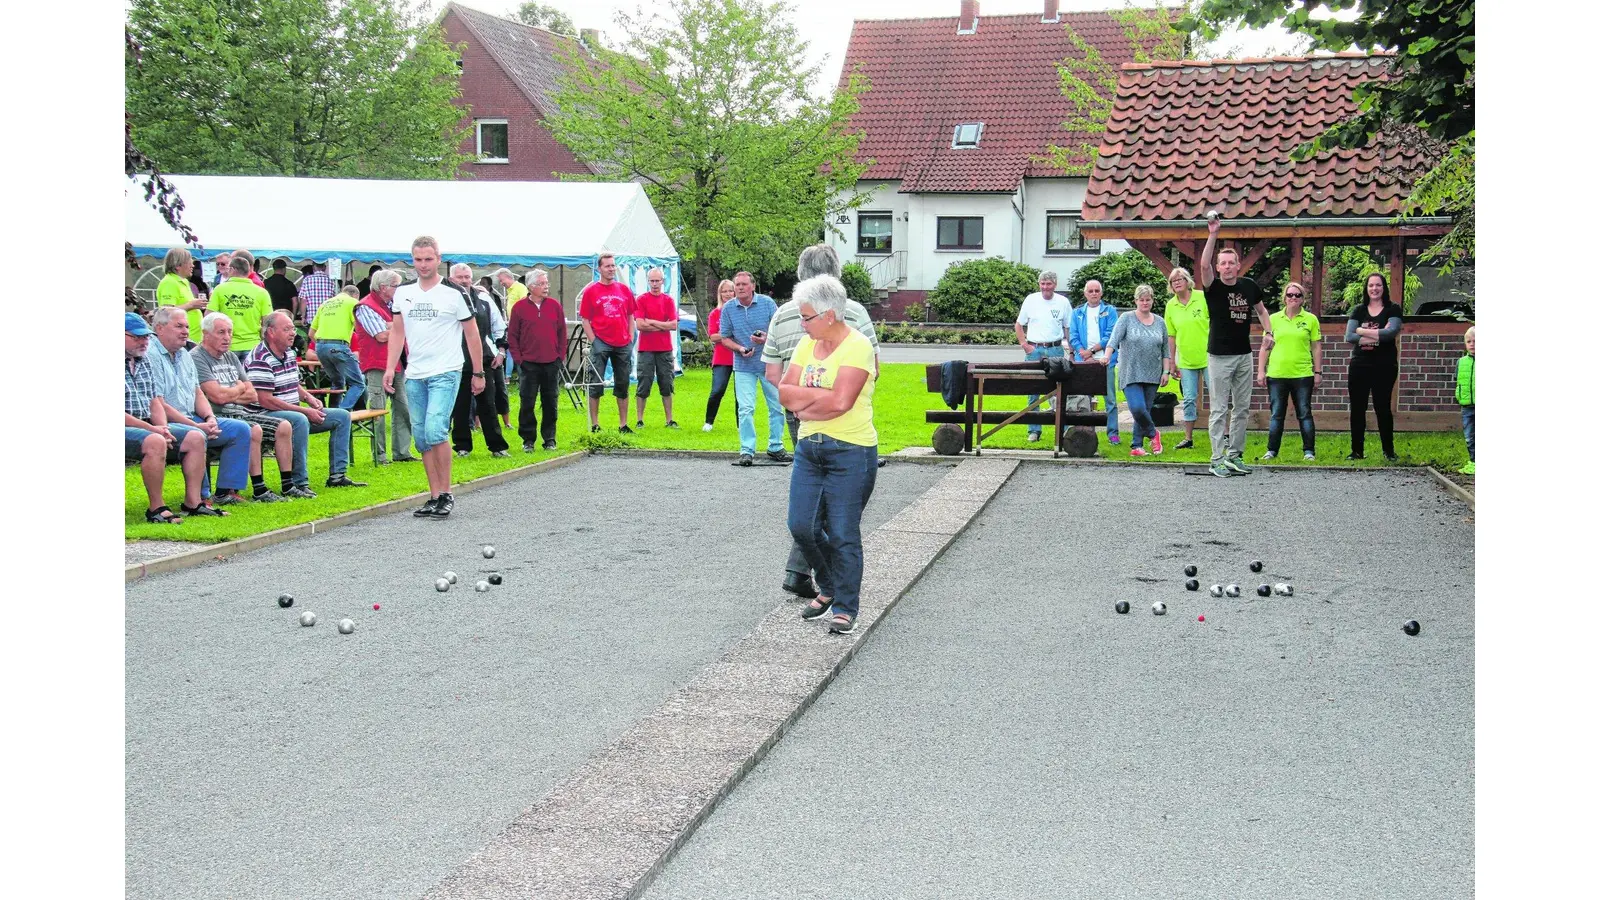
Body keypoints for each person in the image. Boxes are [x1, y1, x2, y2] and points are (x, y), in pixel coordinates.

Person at [765, 243, 879, 600]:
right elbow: (873, 370)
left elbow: (772, 374)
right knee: (831, 511)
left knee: (816, 507)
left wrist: (801, 401)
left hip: (801, 414)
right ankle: (819, 578)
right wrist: (820, 399)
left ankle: (810, 577)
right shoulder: (854, 311)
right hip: (832, 418)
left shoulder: (782, 313)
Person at [383, 235, 488, 518]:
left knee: (435, 430)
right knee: (421, 437)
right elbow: (397, 331)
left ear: (438, 259)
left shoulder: (454, 292)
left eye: (428, 259)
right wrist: (391, 367)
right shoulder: (403, 293)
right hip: (415, 373)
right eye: (418, 259)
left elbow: (472, 333)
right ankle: (433, 495)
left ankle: (446, 492)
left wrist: (478, 372)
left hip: (446, 370)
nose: (423, 265)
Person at [245, 311, 367, 496]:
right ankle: (298, 483)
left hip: (290, 411)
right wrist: (304, 411)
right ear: (270, 332)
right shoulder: (260, 358)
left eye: (293, 328)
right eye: (286, 329)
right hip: (263, 415)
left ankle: (337, 476)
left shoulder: (289, 353)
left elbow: (294, 384)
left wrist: (309, 399)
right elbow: (265, 399)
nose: (293, 333)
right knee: (299, 419)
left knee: (342, 416)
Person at [146, 306, 254, 514]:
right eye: (178, 326)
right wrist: (197, 424)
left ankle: (226, 492)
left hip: (192, 417)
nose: (185, 331)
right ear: (159, 328)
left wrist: (210, 417)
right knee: (197, 434)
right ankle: (200, 498)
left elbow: (198, 393)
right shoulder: (152, 356)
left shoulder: (184, 354)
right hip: (166, 421)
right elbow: (159, 404)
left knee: (240, 429)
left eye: (186, 326)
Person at [1198, 215, 1276, 477]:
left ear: (1238, 265)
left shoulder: (1249, 286)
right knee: (1219, 409)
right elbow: (1203, 265)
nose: (1228, 267)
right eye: (1224, 263)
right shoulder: (1213, 287)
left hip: (1244, 355)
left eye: (1232, 263)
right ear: (1218, 267)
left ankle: (1235, 455)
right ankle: (1216, 458)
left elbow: (1263, 312)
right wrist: (1213, 234)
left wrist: (1269, 331)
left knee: (1241, 408)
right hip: (1219, 356)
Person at [193, 312, 293, 500]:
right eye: (221, 332)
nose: (227, 337)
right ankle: (258, 489)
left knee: (284, 425)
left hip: (241, 413)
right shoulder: (198, 357)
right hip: (216, 416)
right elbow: (217, 397)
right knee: (253, 430)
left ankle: (289, 485)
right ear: (205, 334)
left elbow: (252, 394)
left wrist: (229, 393)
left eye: (230, 332)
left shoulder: (230, 357)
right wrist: (237, 389)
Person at [126, 312, 209, 525]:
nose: (144, 341)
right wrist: (154, 430)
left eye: (145, 336)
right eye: (136, 337)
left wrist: (162, 427)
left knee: (195, 436)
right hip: (129, 424)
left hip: (146, 424)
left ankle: (194, 502)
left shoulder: (142, 361)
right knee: (155, 441)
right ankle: (156, 508)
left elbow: (155, 401)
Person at [720, 271, 788, 465]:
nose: (740, 288)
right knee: (746, 408)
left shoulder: (767, 304)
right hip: (743, 365)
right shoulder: (728, 309)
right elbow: (724, 337)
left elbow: (780, 331)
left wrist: (765, 339)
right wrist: (740, 348)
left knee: (776, 406)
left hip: (769, 362)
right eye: (737, 285)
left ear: (752, 286)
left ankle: (776, 446)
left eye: (743, 284)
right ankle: (747, 450)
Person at [351, 269, 416, 465]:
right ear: (383, 287)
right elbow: (380, 335)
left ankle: (402, 452)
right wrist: (395, 327)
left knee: (403, 408)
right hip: (377, 365)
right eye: (396, 285)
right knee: (378, 410)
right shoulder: (364, 306)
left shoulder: (391, 305)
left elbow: (399, 328)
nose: (399, 289)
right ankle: (380, 455)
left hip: (397, 363)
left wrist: (391, 326)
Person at [447, 263, 510, 458]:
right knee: (460, 405)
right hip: (455, 360)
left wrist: (500, 351)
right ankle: (462, 446)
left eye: (467, 277)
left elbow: (498, 326)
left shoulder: (484, 299)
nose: (464, 280)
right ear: (451, 279)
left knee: (488, 404)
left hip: (483, 359)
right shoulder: (446, 299)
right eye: (460, 277)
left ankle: (497, 446)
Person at [1255, 281, 1323, 461]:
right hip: (1277, 374)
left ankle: (1309, 451)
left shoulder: (1311, 319)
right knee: (1277, 414)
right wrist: (1261, 371)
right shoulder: (1273, 319)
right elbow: (1265, 347)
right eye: (1290, 295)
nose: (1293, 298)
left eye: (1297, 295)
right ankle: (1271, 450)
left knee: (1304, 413)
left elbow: (1316, 347)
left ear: (1302, 299)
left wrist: (1318, 372)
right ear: (1284, 298)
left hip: (1302, 374)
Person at [1104, 284, 1172, 456]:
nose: (1144, 303)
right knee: (1137, 408)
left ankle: (1137, 446)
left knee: (1145, 410)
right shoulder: (1126, 318)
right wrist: (1106, 356)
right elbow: (1113, 340)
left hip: (1152, 373)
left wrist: (1166, 372)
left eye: (1147, 299)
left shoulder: (1160, 322)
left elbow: (1165, 350)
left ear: (1152, 301)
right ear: (1136, 301)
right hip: (1130, 372)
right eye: (1141, 300)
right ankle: (1153, 433)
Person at [1345, 272, 1404, 461]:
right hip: (1360, 365)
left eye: (1378, 285)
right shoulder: (1358, 310)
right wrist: (1378, 333)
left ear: (1384, 287)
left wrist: (1362, 331)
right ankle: (1357, 451)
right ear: (1366, 288)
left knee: (1382, 407)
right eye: (1371, 285)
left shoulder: (1393, 309)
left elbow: (1391, 333)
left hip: (1384, 366)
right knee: (1357, 408)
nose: (1374, 289)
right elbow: (1349, 337)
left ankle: (1389, 452)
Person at [507, 267, 566, 452]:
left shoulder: (555, 306)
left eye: (546, 283)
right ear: (531, 286)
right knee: (527, 402)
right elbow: (512, 336)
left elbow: (562, 333)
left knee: (550, 402)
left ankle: (549, 438)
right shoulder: (519, 308)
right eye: (541, 283)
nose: (545, 287)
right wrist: (519, 360)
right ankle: (528, 440)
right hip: (529, 363)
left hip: (551, 362)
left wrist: (560, 357)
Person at [579, 253, 637, 433]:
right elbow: (585, 319)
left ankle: (623, 424)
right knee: (596, 383)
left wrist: (630, 338)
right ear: (599, 269)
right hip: (601, 342)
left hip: (622, 343)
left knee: (623, 383)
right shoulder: (591, 291)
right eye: (607, 266)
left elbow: (630, 315)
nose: (611, 269)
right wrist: (594, 341)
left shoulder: (624, 290)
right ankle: (595, 424)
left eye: (613, 266)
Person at [1015, 270, 1071, 443]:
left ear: (1055, 284)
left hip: (1055, 349)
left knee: (1059, 390)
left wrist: (1072, 349)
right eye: (1043, 284)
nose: (1046, 287)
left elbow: (1068, 328)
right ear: (1039, 284)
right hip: (1035, 350)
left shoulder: (1063, 302)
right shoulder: (1031, 300)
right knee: (1033, 390)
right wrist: (1025, 345)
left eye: (1049, 284)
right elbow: (1019, 324)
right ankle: (1034, 430)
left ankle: (1064, 429)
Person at [1068, 279, 1121, 444]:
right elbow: (1073, 336)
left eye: (1097, 291)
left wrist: (1092, 351)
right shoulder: (1077, 313)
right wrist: (1084, 354)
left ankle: (1113, 433)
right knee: (1084, 400)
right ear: (1085, 294)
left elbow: (1110, 335)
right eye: (1090, 291)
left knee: (1110, 400)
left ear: (1101, 293)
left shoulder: (1110, 311)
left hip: (1105, 361)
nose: (1093, 294)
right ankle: (1086, 432)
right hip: (1083, 362)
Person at [1163, 266, 1209, 449]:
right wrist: (1172, 362)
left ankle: (1225, 435)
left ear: (1188, 280)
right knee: (1189, 398)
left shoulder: (1202, 297)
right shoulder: (1170, 305)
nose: (1177, 283)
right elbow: (1171, 336)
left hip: (1209, 357)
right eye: (1173, 281)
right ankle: (1188, 438)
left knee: (1217, 397)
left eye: (1180, 279)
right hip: (1186, 361)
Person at [633, 267, 680, 428]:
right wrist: (662, 325)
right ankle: (640, 419)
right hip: (646, 349)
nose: (654, 284)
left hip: (665, 349)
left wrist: (652, 322)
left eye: (657, 281)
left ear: (662, 281)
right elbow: (640, 325)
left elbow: (673, 325)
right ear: (648, 282)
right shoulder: (641, 300)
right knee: (644, 382)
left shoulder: (668, 300)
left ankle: (669, 419)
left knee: (666, 383)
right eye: (652, 281)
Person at [309, 284, 366, 411]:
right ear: (356, 295)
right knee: (358, 384)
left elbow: (311, 334)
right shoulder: (353, 303)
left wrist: (323, 346)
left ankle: (332, 415)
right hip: (339, 346)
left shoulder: (325, 304)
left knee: (337, 383)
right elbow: (360, 328)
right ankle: (342, 412)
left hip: (320, 346)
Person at [207, 255, 274, 353]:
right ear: (248, 271)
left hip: (226, 344)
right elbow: (268, 322)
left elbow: (209, 316)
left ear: (232, 269)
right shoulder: (262, 292)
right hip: (252, 344)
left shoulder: (219, 289)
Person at [702, 279, 736, 431]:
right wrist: (727, 334)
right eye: (724, 291)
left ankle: (740, 424)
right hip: (722, 358)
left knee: (741, 394)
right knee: (717, 390)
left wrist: (723, 336)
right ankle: (709, 422)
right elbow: (712, 336)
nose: (728, 294)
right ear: (720, 294)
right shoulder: (715, 314)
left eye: (730, 291)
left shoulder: (740, 312)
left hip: (739, 357)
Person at [156, 247, 207, 339]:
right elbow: (166, 311)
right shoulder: (169, 282)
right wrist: (190, 305)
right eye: (189, 262)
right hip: (182, 339)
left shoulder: (184, 281)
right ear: (177, 265)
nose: (193, 266)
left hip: (193, 337)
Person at [1456, 326, 1474, 475]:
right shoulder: (1461, 362)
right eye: (1469, 341)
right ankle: (1473, 461)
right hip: (1467, 405)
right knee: (1469, 436)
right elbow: (1458, 380)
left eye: (1476, 341)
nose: (1472, 344)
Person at [297, 261, 337, 327]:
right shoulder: (332, 280)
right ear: (325, 268)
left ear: (313, 267)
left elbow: (303, 300)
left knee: (312, 336)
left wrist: (303, 317)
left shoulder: (307, 280)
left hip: (312, 318)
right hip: (328, 318)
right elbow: (336, 299)